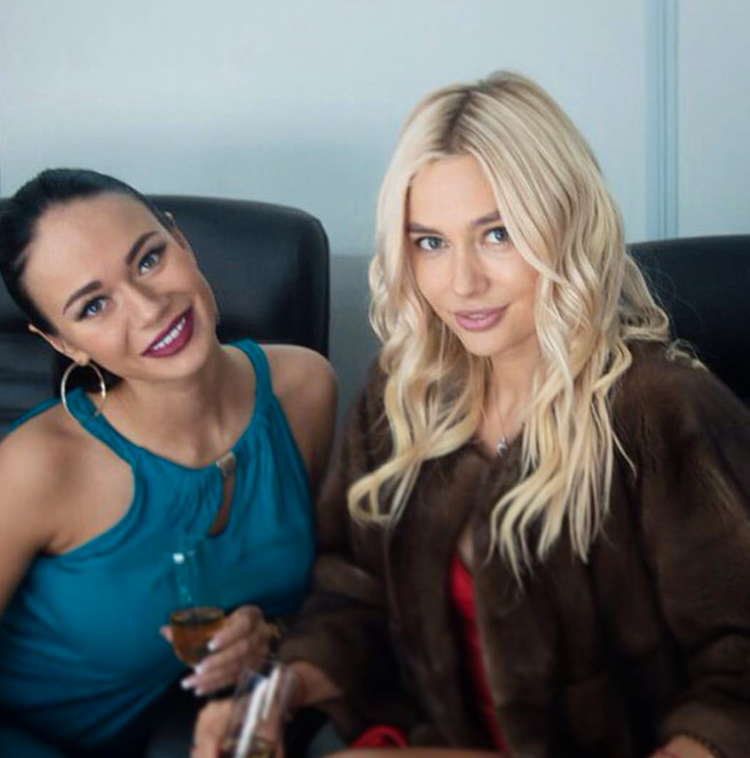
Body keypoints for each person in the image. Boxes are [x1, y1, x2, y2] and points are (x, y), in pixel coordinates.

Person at [194, 71, 750, 758]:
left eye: (498, 234)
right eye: (430, 242)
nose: (462, 283)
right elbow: (353, 600)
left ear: (566, 226)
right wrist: (280, 692)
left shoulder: (665, 412)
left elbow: (738, 672)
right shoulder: (407, 394)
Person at [0, 169, 336, 758]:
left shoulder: (304, 388)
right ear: (62, 343)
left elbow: (327, 599)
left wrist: (267, 637)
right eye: (94, 306)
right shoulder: (36, 468)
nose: (149, 308)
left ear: (182, 241)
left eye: (149, 259)